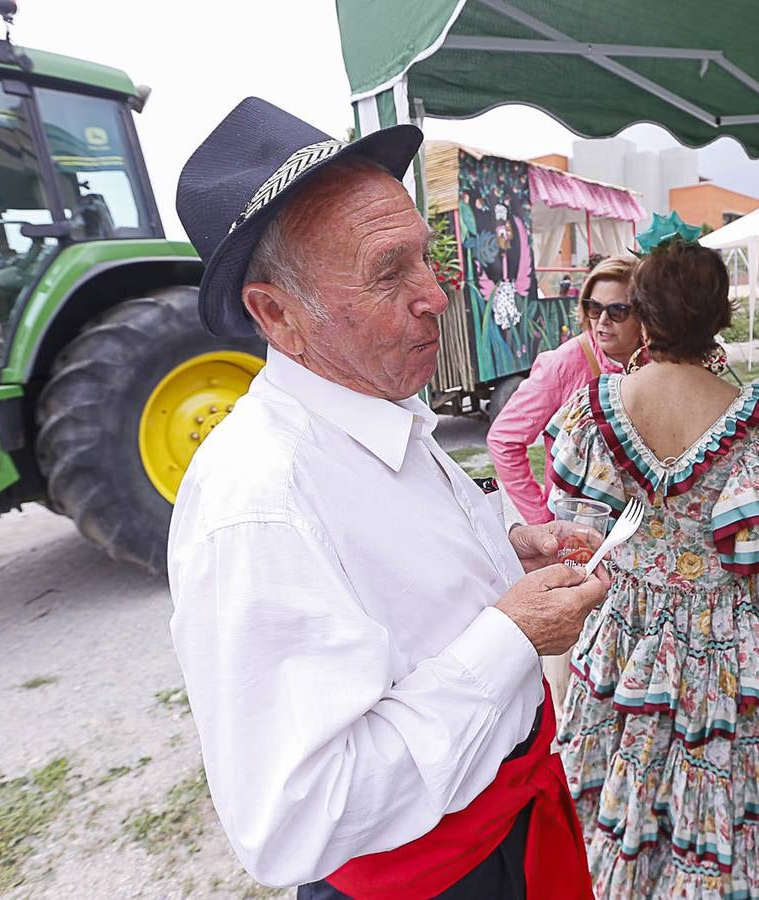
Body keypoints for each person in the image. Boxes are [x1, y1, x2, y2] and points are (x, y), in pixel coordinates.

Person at [167, 97, 610, 899]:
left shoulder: (382, 410)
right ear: (276, 314)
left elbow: (389, 576)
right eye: (386, 273)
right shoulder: (258, 502)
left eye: (424, 257)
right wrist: (512, 636)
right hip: (436, 877)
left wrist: (501, 547)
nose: (435, 296)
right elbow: (297, 818)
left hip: (503, 825)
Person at [547, 217, 759, 898]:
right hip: (723, 624)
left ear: (641, 316)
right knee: (712, 745)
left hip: (628, 617)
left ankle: (620, 865)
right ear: (720, 316)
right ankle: (702, 864)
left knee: (628, 739)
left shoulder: (599, 408)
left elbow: (575, 528)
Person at [487, 258, 643, 526]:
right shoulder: (564, 363)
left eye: (617, 311)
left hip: (638, 525)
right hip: (581, 529)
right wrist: (543, 518)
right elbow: (504, 439)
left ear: (644, 313)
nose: (602, 320)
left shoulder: (657, 361)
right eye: (594, 308)